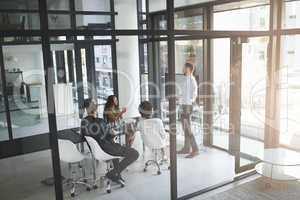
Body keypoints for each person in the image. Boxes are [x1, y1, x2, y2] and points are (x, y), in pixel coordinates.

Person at [81, 98, 139, 184]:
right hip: (106, 149)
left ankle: (117, 175)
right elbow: (110, 135)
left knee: (115, 145)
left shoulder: (83, 121)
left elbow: (86, 136)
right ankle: (112, 173)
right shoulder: (99, 121)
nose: (96, 104)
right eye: (94, 103)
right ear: (91, 106)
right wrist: (112, 133)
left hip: (96, 150)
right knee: (135, 153)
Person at [177, 62, 199, 158]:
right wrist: (180, 98)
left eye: (184, 67)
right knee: (185, 128)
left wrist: (188, 101)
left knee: (188, 128)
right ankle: (186, 148)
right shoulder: (186, 79)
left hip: (187, 106)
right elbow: (184, 93)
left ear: (189, 69)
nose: (182, 68)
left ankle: (195, 149)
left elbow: (193, 95)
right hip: (183, 105)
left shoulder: (192, 80)